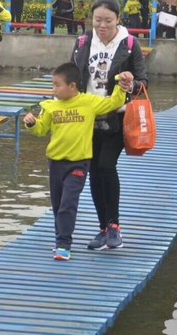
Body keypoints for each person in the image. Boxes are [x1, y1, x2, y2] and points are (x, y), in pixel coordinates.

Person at [24, 63, 133, 261]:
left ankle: (64, 245)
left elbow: (114, 103)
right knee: (57, 204)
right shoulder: (49, 106)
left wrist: (120, 84)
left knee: (68, 203)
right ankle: (60, 240)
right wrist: (31, 123)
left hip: (79, 163)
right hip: (56, 163)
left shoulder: (88, 103)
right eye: (53, 85)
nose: (53, 90)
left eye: (57, 85)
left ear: (72, 86)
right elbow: (41, 130)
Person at [70, 0, 148, 251]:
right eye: (97, 20)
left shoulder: (129, 44)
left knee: (106, 166)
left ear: (118, 20)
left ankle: (115, 226)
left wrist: (131, 83)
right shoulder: (82, 43)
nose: (102, 26)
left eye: (108, 21)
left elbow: (143, 82)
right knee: (93, 172)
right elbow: (72, 77)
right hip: (88, 118)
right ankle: (103, 228)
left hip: (117, 116)